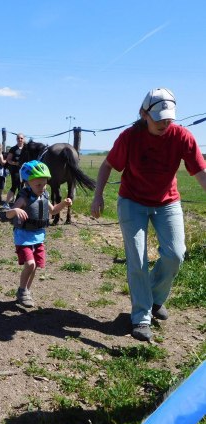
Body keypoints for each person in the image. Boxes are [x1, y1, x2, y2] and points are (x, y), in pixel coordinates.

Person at [90, 88, 206, 342]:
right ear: (144, 114)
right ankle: (141, 317)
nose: (165, 123)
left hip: (167, 202)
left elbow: (199, 171)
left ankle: (154, 298)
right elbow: (108, 165)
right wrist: (97, 196)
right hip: (132, 201)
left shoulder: (181, 136)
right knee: (138, 259)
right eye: (159, 118)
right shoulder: (130, 137)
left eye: (169, 118)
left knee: (176, 254)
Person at [6, 160, 72, 307]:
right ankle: (22, 290)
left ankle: (26, 291)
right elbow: (8, 215)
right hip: (23, 237)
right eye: (38, 185)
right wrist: (15, 210)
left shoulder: (44, 196)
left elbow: (53, 211)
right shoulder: (23, 197)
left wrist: (64, 204)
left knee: (34, 266)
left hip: (38, 236)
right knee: (30, 264)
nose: (42, 188)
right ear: (27, 183)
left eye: (44, 184)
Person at [4, 133, 26, 209]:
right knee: (15, 186)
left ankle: (19, 204)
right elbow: (8, 160)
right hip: (15, 170)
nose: (20, 140)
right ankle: (6, 203)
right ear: (16, 139)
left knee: (22, 187)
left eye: (21, 138)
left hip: (24, 171)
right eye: (18, 138)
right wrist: (15, 163)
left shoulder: (26, 149)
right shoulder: (13, 149)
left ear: (24, 139)